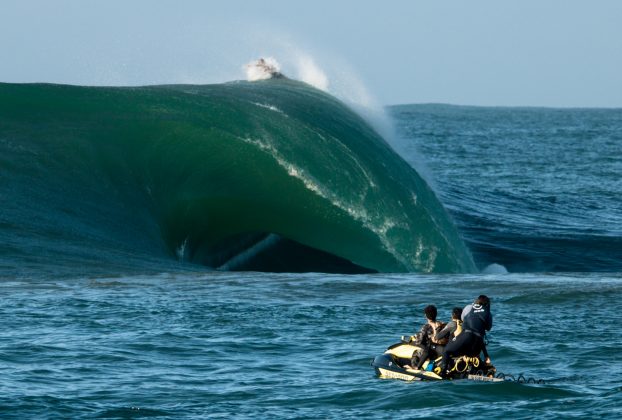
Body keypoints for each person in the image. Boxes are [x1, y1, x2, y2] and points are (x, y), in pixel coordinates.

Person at [439, 295, 492, 376]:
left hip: (466, 336)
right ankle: (476, 370)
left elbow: (463, 319)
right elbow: (488, 328)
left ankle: (443, 373)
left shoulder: (469, 307)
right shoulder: (488, 312)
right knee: (471, 355)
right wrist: (486, 355)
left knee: (447, 351)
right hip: (477, 345)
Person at [411, 305, 447, 370]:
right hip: (442, 349)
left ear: (425, 315)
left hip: (431, 351)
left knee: (416, 353)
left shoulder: (426, 327)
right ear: (436, 314)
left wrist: (415, 339)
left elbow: (418, 341)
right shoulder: (442, 324)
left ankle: (415, 368)